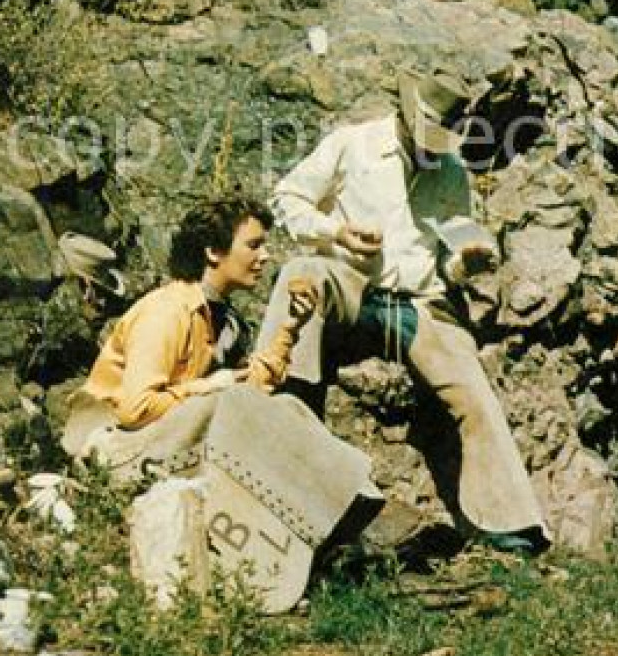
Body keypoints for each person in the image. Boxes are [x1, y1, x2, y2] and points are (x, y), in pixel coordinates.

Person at [252, 68, 550, 555]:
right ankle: (276, 401)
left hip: (417, 304)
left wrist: (466, 264)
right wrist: (336, 233)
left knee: (472, 392)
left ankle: (508, 525)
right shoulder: (353, 145)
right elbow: (287, 198)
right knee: (301, 273)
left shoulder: (453, 172)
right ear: (406, 118)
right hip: (349, 286)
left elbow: (446, 260)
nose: (432, 148)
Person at [61, 195, 381, 613]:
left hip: (169, 435)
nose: (264, 257)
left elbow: (250, 388)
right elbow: (134, 408)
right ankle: (282, 564)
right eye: (253, 245)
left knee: (283, 408)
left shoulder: (218, 316)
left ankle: (342, 502)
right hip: (118, 450)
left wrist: (289, 328)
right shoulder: (164, 312)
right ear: (213, 252)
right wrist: (207, 388)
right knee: (226, 402)